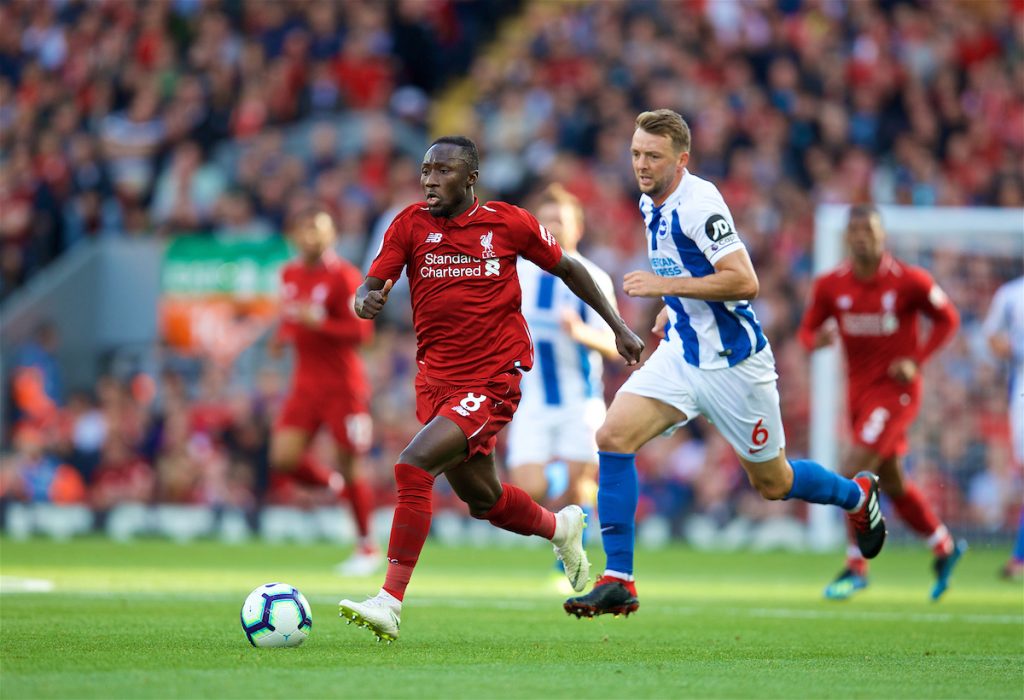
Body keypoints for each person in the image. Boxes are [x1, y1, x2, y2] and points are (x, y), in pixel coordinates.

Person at [563, 109, 887, 619]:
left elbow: (743, 280)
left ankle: (855, 493)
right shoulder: (653, 201)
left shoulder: (700, 203)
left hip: (735, 366)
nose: (641, 165)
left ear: (681, 159)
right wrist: (676, 309)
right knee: (612, 436)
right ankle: (619, 579)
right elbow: (692, 270)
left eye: (653, 156)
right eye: (636, 154)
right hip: (684, 352)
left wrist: (665, 288)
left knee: (773, 483)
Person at [338, 135, 644, 642]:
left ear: (470, 178)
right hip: (436, 383)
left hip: (492, 381)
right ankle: (560, 528)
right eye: (425, 170)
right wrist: (364, 300)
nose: (430, 180)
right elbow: (372, 284)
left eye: (442, 171)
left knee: (413, 465)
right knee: (486, 501)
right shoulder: (409, 225)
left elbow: (569, 267)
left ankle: (389, 600)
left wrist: (617, 326)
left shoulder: (508, 223)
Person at [798, 204, 964, 601]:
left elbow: (948, 319)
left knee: (851, 469)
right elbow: (806, 332)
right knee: (891, 481)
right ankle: (943, 546)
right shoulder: (830, 286)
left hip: (897, 392)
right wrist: (814, 341)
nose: (861, 237)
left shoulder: (909, 281)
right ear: (845, 238)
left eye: (868, 230)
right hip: (858, 396)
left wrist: (917, 360)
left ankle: (857, 566)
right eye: (854, 231)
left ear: (882, 235)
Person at [505, 183, 620, 589]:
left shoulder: (593, 278)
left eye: (561, 221)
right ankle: (559, 491)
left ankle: (567, 564)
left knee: (580, 481)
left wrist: (582, 334)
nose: (552, 227)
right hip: (532, 400)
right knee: (528, 487)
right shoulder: (518, 272)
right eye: (547, 220)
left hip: (579, 398)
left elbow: (617, 345)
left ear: (578, 228)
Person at [268, 208, 380, 576]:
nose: (309, 236)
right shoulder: (290, 274)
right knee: (284, 459)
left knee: (352, 464)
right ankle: (333, 487)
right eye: (304, 228)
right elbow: (292, 318)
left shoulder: (344, 277)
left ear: (331, 236)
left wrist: (324, 324)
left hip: (342, 387)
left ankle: (367, 546)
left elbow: (362, 335)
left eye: (317, 229)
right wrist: (281, 338)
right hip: (305, 384)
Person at [982, 275, 1024, 580]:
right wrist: (1011, 351)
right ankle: (1019, 557)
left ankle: (1019, 558)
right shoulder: (1011, 294)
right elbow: (993, 337)